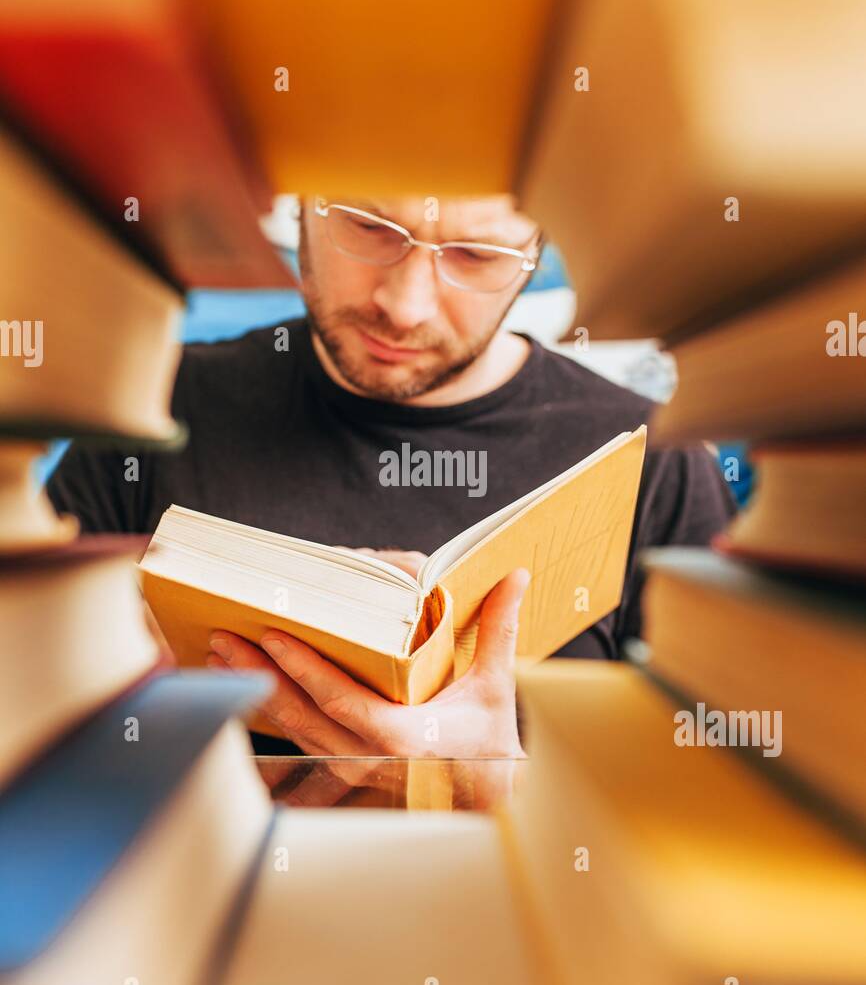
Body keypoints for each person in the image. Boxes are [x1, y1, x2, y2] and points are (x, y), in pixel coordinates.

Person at [49, 194, 733, 794]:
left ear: (538, 252)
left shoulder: (653, 461)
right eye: (368, 226)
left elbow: (715, 812)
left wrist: (502, 787)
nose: (402, 307)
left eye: (476, 254)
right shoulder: (146, 408)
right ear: (304, 204)